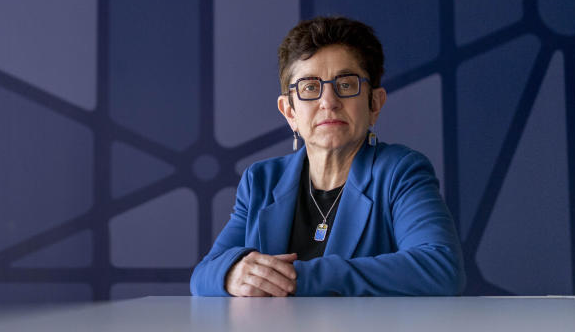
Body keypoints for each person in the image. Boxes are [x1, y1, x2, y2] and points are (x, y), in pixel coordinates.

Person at [190, 16, 464, 296]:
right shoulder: (260, 180)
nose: (329, 102)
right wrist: (232, 274)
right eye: (310, 87)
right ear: (290, 112)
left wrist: (295, 278)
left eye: (345, 84)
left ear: (374, 104)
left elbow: (440, 268)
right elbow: (203, 276)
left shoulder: (400, 172)